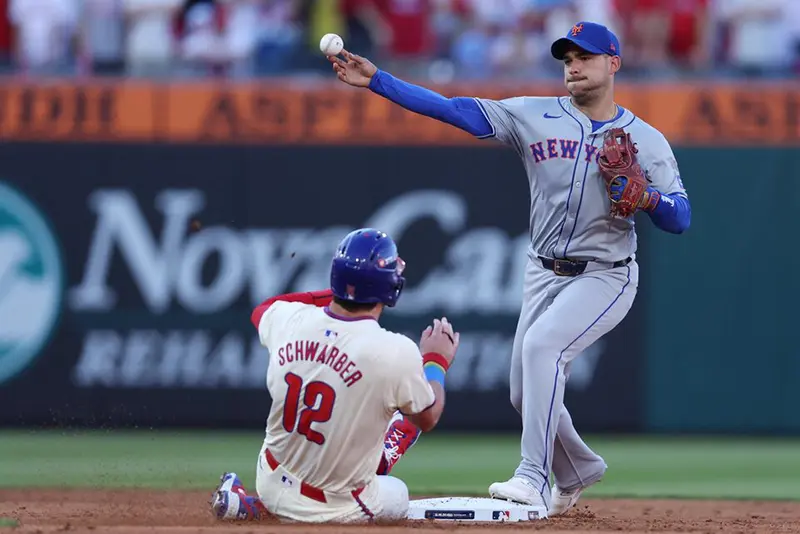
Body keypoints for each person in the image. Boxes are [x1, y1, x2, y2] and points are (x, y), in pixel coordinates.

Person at [328, 21, 691, 518]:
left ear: (613, 63)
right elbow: (454, 110)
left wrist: (647, 195)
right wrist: (379, 81)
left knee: (544, 350)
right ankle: (578, 468)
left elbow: (681, 218)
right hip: (542, 271)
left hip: (606, 273)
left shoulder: (645, 141)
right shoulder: (533, 115)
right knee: (524, 390)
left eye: (584, 57)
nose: (573, 67)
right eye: (567, 59)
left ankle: (534, 478)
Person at [210, 227, 460, 523]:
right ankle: (381, 454)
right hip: (334, 507)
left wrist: (345, 292)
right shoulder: (395, 351)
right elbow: (428, 417)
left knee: (370, 406)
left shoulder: (288, 319)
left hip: (270, 478)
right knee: (398, 491)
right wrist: (436, 361)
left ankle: (253, 506)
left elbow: (264, 308)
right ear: (390, 287)